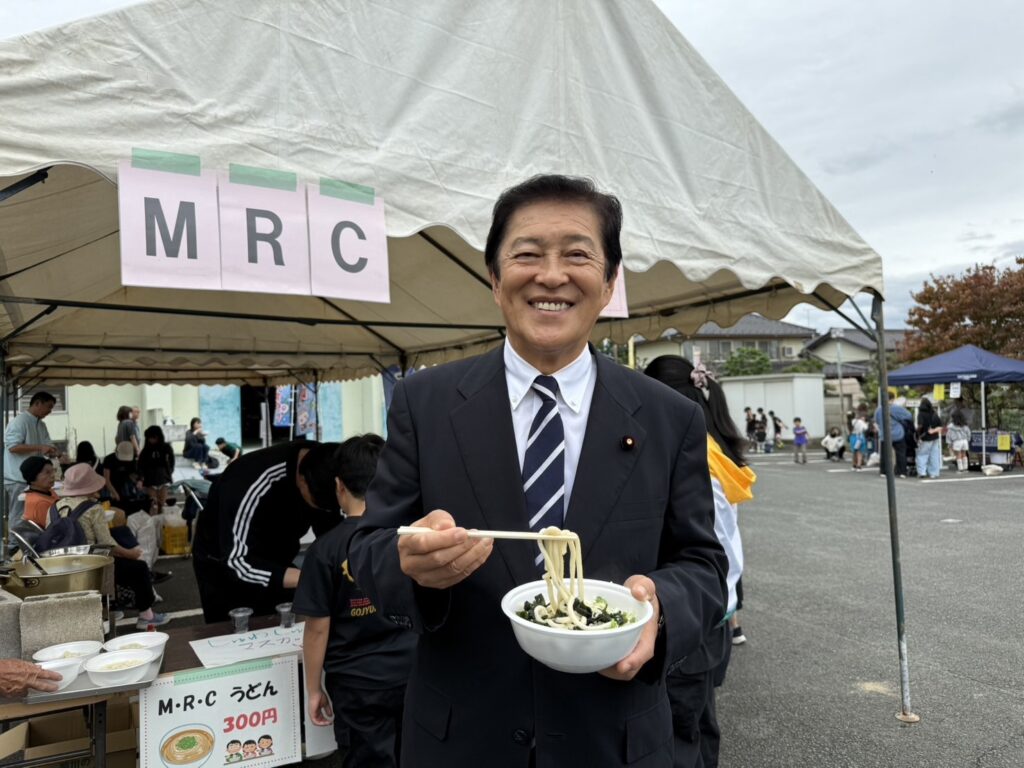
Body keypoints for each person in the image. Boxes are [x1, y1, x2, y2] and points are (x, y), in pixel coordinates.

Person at [348, 175, 727, 767]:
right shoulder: (425, 403)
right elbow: (369, 545)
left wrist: (661, 606)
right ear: (495, 279)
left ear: (609, 282)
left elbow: (704, 565)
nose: (551, 276)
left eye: (577, 255)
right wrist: (411, 566)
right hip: (459, 742)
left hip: (614, 742)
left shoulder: (669, 417)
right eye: (527, 254)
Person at [645, 356, 756, 768]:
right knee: (699, 721)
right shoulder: (712, 447)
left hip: (694, 615)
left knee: (682, 731)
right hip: (714, 611)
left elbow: (710, 546)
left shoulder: (692, 456)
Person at [295, 434, 414, 768]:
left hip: (357, 684)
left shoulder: (325, 549)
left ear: (339, 485)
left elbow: (317, 629)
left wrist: (313, 688)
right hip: (411, 672)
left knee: (367, 760)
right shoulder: (408, 539)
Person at [191, 440, 347, 623]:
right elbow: (237, 563)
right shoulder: (248, 482)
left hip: (278, 555)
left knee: (287, 623)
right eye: (318, 504)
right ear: (302, 480)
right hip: (225, 562)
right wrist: (309, 577)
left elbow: (332, 535)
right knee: (236, 630)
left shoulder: (328, 464)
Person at [54, 464, 169, 628]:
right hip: (91, 566)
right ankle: (146, 616)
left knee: (121, 556)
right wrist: (130, 553)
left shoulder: (55, 506)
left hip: (64, 564)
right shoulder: (93, 509)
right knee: (139, 568)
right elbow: (107, 544)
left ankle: (112, 608)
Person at [4, 391, 59, 531]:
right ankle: (14, 543)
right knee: (19, 514)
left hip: (35, 480)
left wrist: (53, 450)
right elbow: (12, 447)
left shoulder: (41, 425)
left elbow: (47, 444)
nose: (50, 411)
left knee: (33, 514)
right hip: (17, 478)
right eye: (49, 406)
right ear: (38, 403)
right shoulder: (19, 421)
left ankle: (30, 540)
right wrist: (40, 447)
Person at [138, 426, 175, 515]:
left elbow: (172, 462)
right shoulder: (146, 450)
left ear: (158, 437)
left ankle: (160, 520)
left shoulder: (166, 448)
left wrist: (169, 473)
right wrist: (141, 478)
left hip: (163, 479)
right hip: (150, 480)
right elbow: (140, 465)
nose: (151, 440)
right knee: (153, 504)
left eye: (153, 437)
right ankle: (154, 520)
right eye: (149, 438)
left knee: (162, 504)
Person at [875, 395, 913, 478]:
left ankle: (883, 471)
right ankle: (902, 472)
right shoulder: (896, 408)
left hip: (884, 435)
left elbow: (877, 421)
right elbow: (909, 415)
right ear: (892, 399)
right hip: (897, 434)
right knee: (901, 453)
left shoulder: (878, 410)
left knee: (884, 454)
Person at [19, 456, 59, 529]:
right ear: (32, 478)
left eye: (53, 471)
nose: (53, 475)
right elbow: (53, 529)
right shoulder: (40, 503)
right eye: (47, 472)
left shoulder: (47, 490)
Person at [915, 397, 943, 479]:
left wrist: (917, 434)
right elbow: (940, 426)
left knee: (922, 454)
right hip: (935, 437)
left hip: (926, 437)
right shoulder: (934, 413)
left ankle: (922, 472)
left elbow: (920, 425)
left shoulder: (921, 414)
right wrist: (933, 431)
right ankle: (934, 473)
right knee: (934, 455)